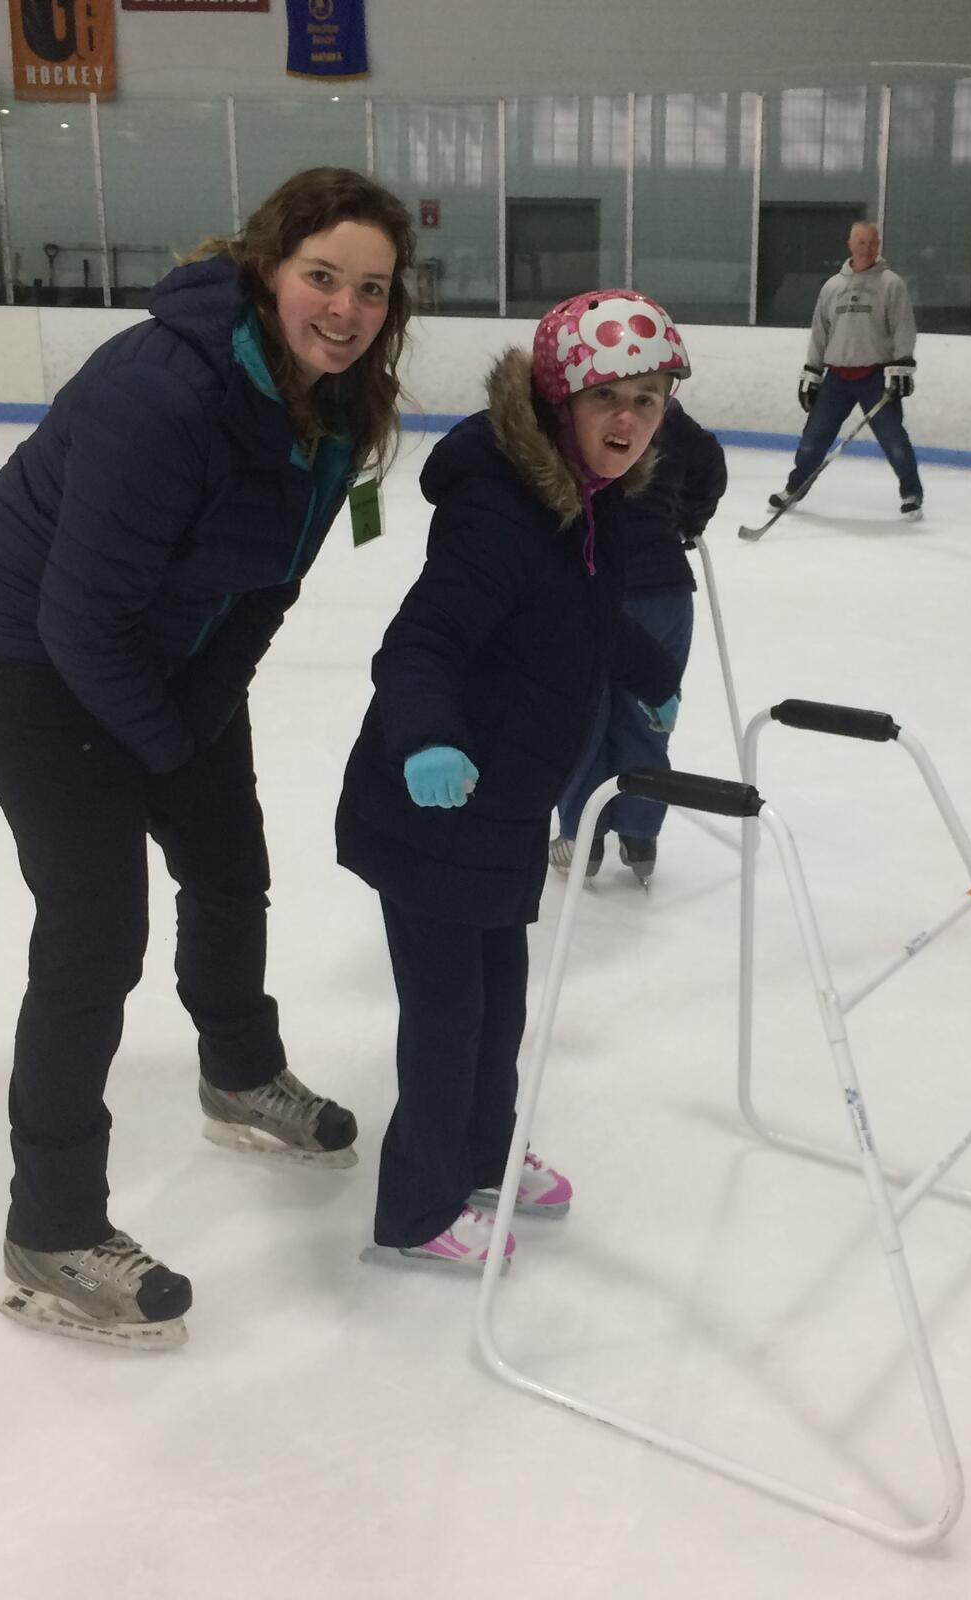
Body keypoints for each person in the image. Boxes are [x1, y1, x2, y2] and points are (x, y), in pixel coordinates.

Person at [0, 167, 415, 1347]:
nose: (345, 309)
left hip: (163, 643)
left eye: (370, 288)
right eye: (321, 277)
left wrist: (199, 718)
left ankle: (239, 1073)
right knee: (95, 930)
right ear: (266, 267)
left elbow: (268, 586)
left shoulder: (340, 403)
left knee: (226, 859)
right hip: (25, 652)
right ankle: (50, 1227)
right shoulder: (160, 391)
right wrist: (160, 740)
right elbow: (76, 621)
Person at [334, 289, 688, 1270]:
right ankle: (413, 1213)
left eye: (648, 399)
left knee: (498, 1000)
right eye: (607, 396)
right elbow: (422, 639)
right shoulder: (499, 512)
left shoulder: (587, 502)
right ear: (555, 400)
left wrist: (648, 681)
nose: (627, 420)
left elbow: (589, 613)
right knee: (447, 1019)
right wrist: (426, 741)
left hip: (502, 807)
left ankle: (481, 1154)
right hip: (431, 808)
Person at [549, 397, 727, 887]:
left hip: (591, 587)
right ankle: (640, 834)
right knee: (648, 715)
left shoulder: (576, 410)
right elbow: (711, 468)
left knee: (585, 715)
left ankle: (581, 838)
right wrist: (685, 519)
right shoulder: (665, 414)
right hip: (665, 590)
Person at [768, 220, 924, 521]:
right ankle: (794, 488)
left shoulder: (891, 284)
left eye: (873, 243)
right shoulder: (832, 287)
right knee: (813, 438)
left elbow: (904, 327)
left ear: (878, 246)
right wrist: (812, 373)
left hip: (876, 376)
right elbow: (820, 332)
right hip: (837, 378)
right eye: (861, 242)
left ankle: (912, 493)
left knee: (893, 439)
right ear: (850, 244)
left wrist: (902, 365)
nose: (867, 248)